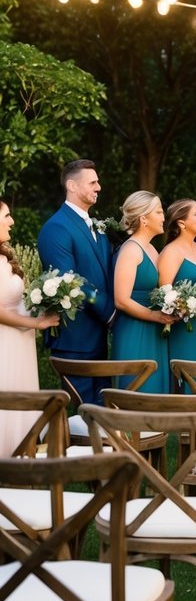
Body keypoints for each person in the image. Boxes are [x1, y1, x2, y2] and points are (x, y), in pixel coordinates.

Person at [38, 158, 115, 405]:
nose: (99, 187)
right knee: (83, 413)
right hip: (75, 338)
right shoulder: (56, 228)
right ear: (72, 185)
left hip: (98, 337)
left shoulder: (96, 226)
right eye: (92, 182)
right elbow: (69, 281)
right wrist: (110, 310)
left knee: (102, 415)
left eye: (98, 182)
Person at [0, 199, 60, 456]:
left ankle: (20, 464)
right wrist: (36, 323)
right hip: (5, 345)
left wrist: (44, 302)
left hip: (20, 344)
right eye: (6, 216)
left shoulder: (4, 256)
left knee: (21, 400)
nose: (12, 221)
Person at [112, 191, 171, 394]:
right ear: (144, 218)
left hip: (155, 330)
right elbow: (121, 299)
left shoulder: (152, 250)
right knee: (137, 389)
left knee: (155, 390)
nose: (164, 217)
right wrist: (155, 315)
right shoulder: (131, 250)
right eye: (159, 212)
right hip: (134, 330)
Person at [159, 199, 196, 391]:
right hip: (185, 328)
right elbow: (164, 295)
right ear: (181, 222)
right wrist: (183, 306)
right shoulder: (171, 252)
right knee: (190, 379)